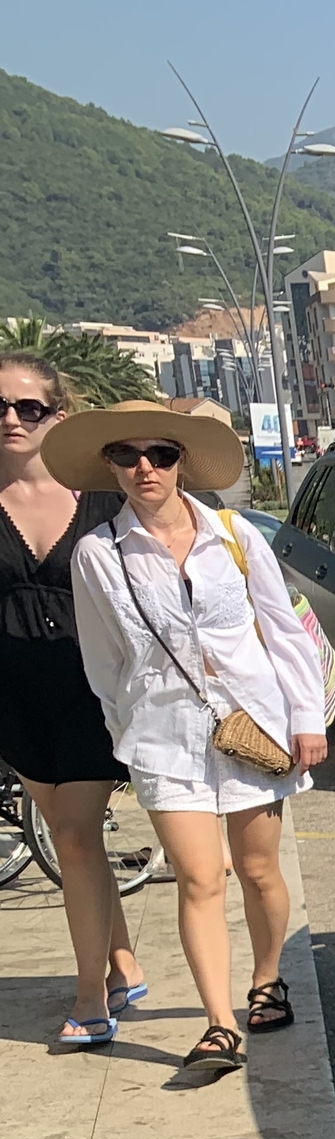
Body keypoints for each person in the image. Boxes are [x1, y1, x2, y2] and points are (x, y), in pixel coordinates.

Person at [56, 401, 329, 1076]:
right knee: (200, 878)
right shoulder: (99, 554)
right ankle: (218, 1024)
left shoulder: (234, 535)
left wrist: (305, 720)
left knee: (260, 869)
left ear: (183, 462)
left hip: (254, 725)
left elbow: (282, 631)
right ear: (109, 467)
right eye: (126, 455)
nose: (144, 468)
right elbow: (103, 661)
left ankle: (267, 978)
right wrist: (132, 731)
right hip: (163, 738)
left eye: (160, 454)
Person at [0, 353, 148, 1046]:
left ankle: (92, 999)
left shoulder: (99, 499)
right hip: (12, 697)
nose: (10, 419)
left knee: (73, 836)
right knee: (72, 836)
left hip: (90, 691)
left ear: (56, 417)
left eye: (27, 407)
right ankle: (122, 961)